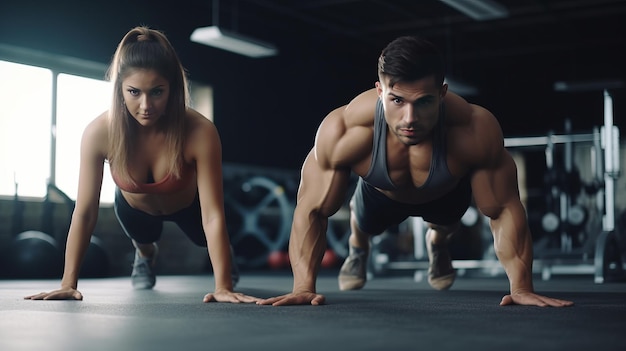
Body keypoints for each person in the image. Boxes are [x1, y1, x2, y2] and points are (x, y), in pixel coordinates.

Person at [258, 36, 574, 307]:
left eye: (423, 102)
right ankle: (359, 246)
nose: (409, 118)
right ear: (379, 90)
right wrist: (303, 287)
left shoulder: (473, 129)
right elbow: (312, 210)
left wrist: (521, 288)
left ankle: (438, 242)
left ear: (442, 93)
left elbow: (504, 209)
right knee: (362, 222)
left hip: (445, 193)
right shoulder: (345, 129)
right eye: (397, 100)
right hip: (380, 194)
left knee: (447, 223)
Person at [25, 26, 259, 304]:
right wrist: (67, 283)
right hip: (135, 209)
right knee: (145, 239)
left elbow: (212, 215)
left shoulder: (200, 131)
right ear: (120, 90)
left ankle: (226, 257)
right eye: (134, 92)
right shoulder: (99, 132)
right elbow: (85, 213)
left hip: (189, 207)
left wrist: (222, 286)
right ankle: (145, 255)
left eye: (157, 92)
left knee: (206, 241)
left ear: (172, 88)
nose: (145, 105)